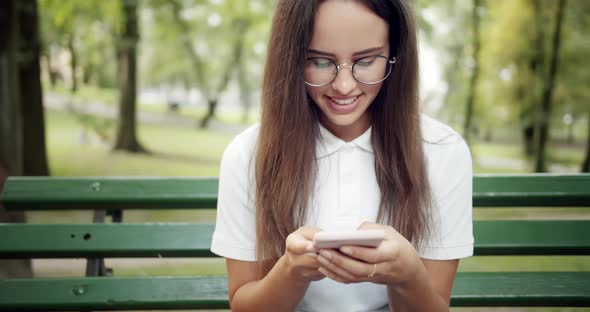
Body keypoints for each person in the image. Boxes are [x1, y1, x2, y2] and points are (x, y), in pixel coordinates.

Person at [210, 0, 473, 311]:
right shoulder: (248, 154)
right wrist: (290, 271)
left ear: (394, 55)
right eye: (320, 62)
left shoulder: (442, 151)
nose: (344, 86)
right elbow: (244, 305)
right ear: (291, 60)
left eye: (366, 61)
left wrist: (407, 275)